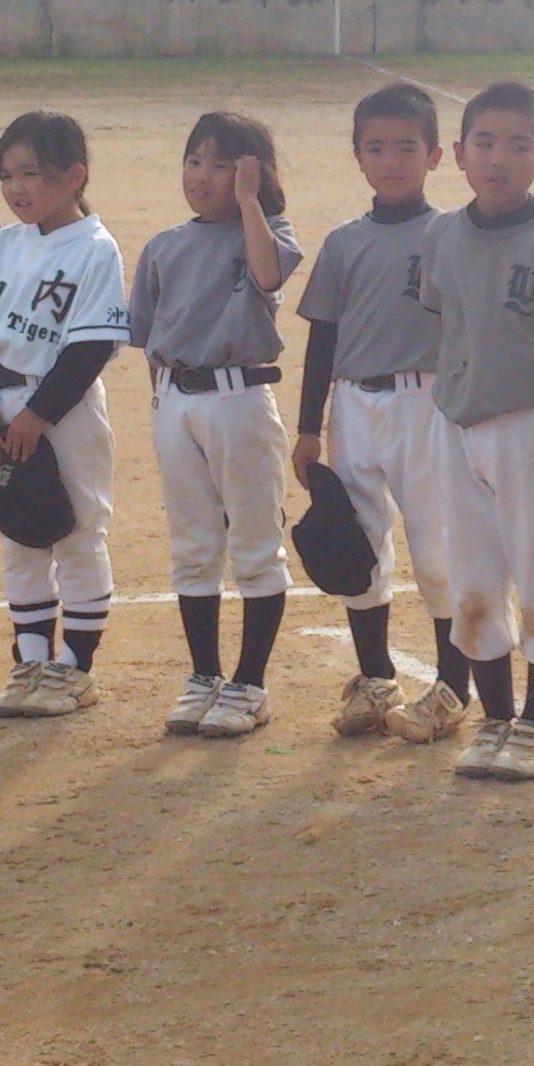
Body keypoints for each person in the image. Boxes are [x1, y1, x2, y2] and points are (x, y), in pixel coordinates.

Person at [415, 80, 534, 781]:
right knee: (473, 575)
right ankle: (493, 719)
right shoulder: (442, 233)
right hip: (453, 422)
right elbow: (448, 318)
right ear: (459, 155)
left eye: (520, 145)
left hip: (532, 424)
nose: (500, 158)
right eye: (485, 143)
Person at [294, 85, 462, 742]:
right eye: (376, 148)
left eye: (406, 148)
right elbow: (322, 337)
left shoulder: (452, 233)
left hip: (429, 402)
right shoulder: (343, 243)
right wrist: (310, 426)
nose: (391, 161)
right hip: (354, 404)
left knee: (437, 547)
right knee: (356, 541)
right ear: (358, 156)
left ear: (435, 156)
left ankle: (452, 685)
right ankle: (376, 677)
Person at [0, 112, 131, 719]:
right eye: (6, 175)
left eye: (30, 173)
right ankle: (31, 661)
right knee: (18, 530)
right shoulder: (0, 245)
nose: (15, 188)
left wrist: (38, 413)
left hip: (63, 408)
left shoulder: (94, 249)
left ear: (73, 175)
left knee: (78, 531)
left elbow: (88, 350)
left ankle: (75, 668)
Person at [134, 112, 303, 738]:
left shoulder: (266, 230)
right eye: (194, 160)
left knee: (256, 544)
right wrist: (166, 406)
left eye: (222, 163)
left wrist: (250, 201)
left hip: (239, 400)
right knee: (195, 544)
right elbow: (150, 338)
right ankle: (203, 676)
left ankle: (249, 684)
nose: (202, 175)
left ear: (252, 173)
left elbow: (266, 274)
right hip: (177, 401)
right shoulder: (165, 245)